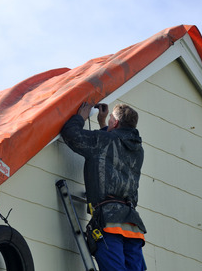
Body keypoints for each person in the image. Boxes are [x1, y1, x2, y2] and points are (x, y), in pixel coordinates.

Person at [61, 102, 146, 271]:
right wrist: (103, 124)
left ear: (114, 123)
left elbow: (71, 134)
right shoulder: (138, 150)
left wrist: (80, 117)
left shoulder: (104, 141)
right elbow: (113, 146)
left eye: (111, 120)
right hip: (133, 226)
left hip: (109, 222)